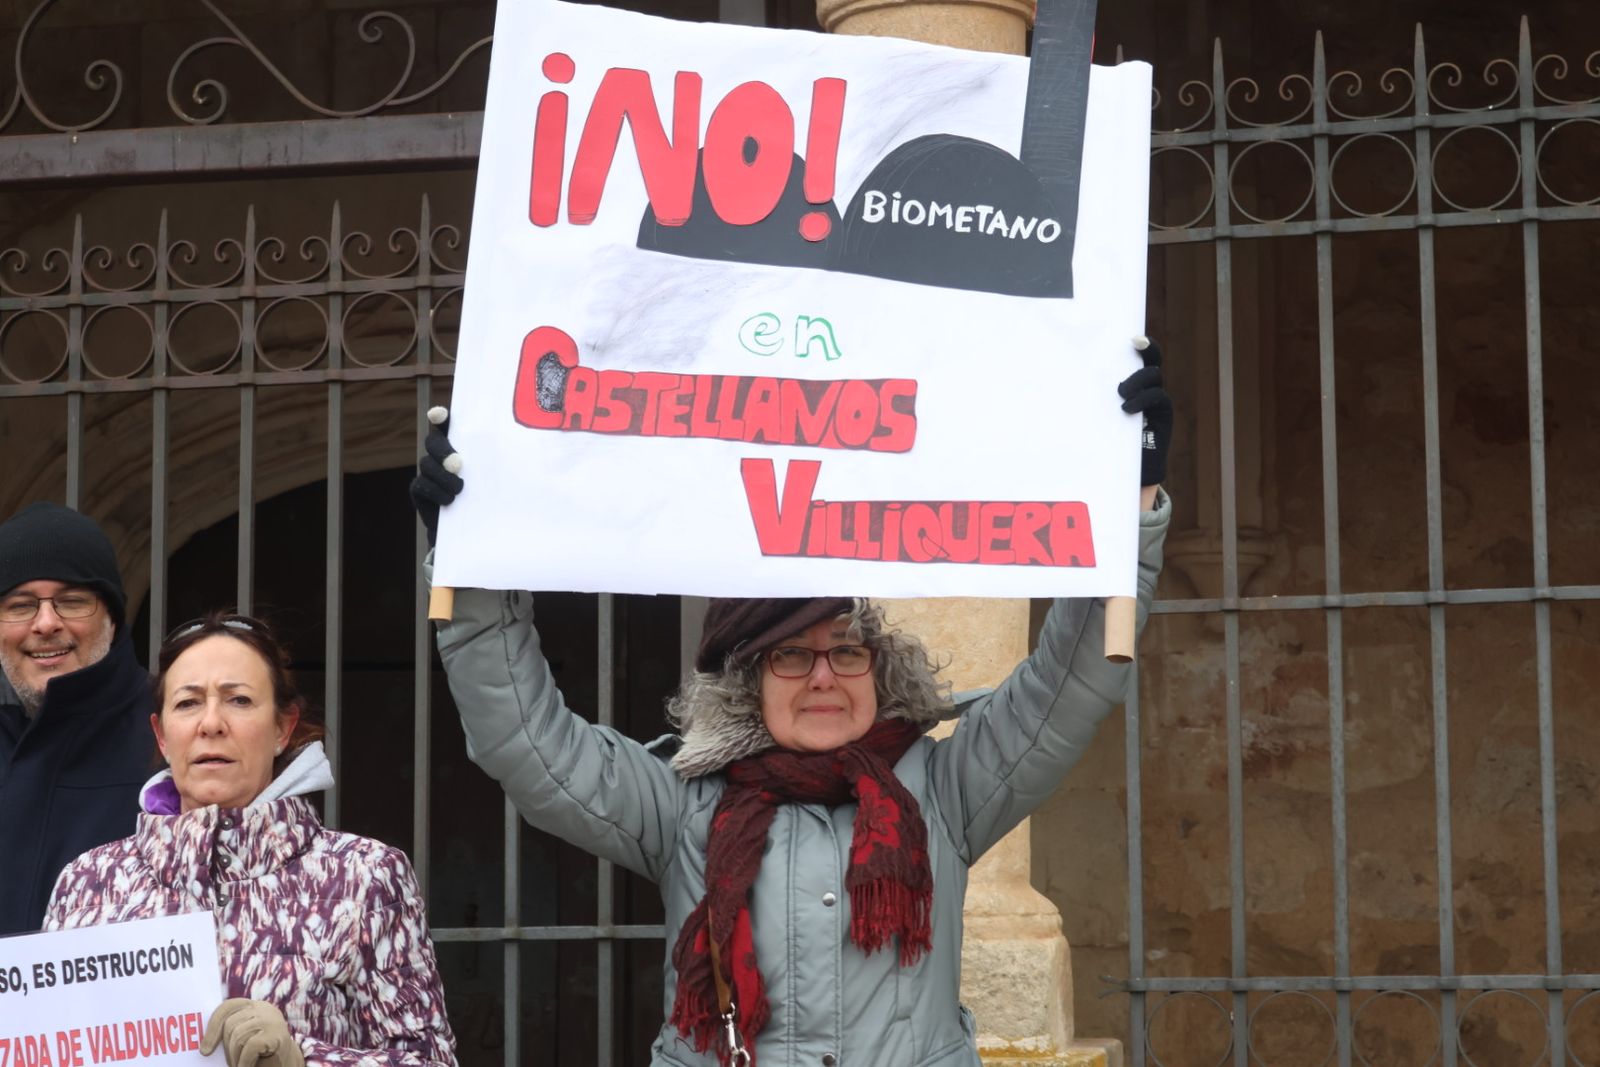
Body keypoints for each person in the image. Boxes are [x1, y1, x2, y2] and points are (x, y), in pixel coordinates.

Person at [411, 340, 1172, 1066]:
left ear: (878, 665)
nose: (822, 677)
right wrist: (474, 571)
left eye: (846, 649)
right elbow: (527, 741)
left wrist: (1130, 505)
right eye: (790, 654)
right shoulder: (683, 802)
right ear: (749, 677)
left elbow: (1070, 681)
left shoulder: (944, 789)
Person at [45, 612, 458, 1067]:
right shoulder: (87, 882)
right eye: (187, 703)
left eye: (239, 700)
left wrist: (302, 1059)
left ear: (283, 728)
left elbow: (430, 1060)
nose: (211, 723)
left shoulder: (364, 876)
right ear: (162, 736)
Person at [0, 501, 154, 935]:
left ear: (112, 617)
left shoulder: (176, 733)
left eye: (72, 601)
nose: (46, 623)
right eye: (19, 605)